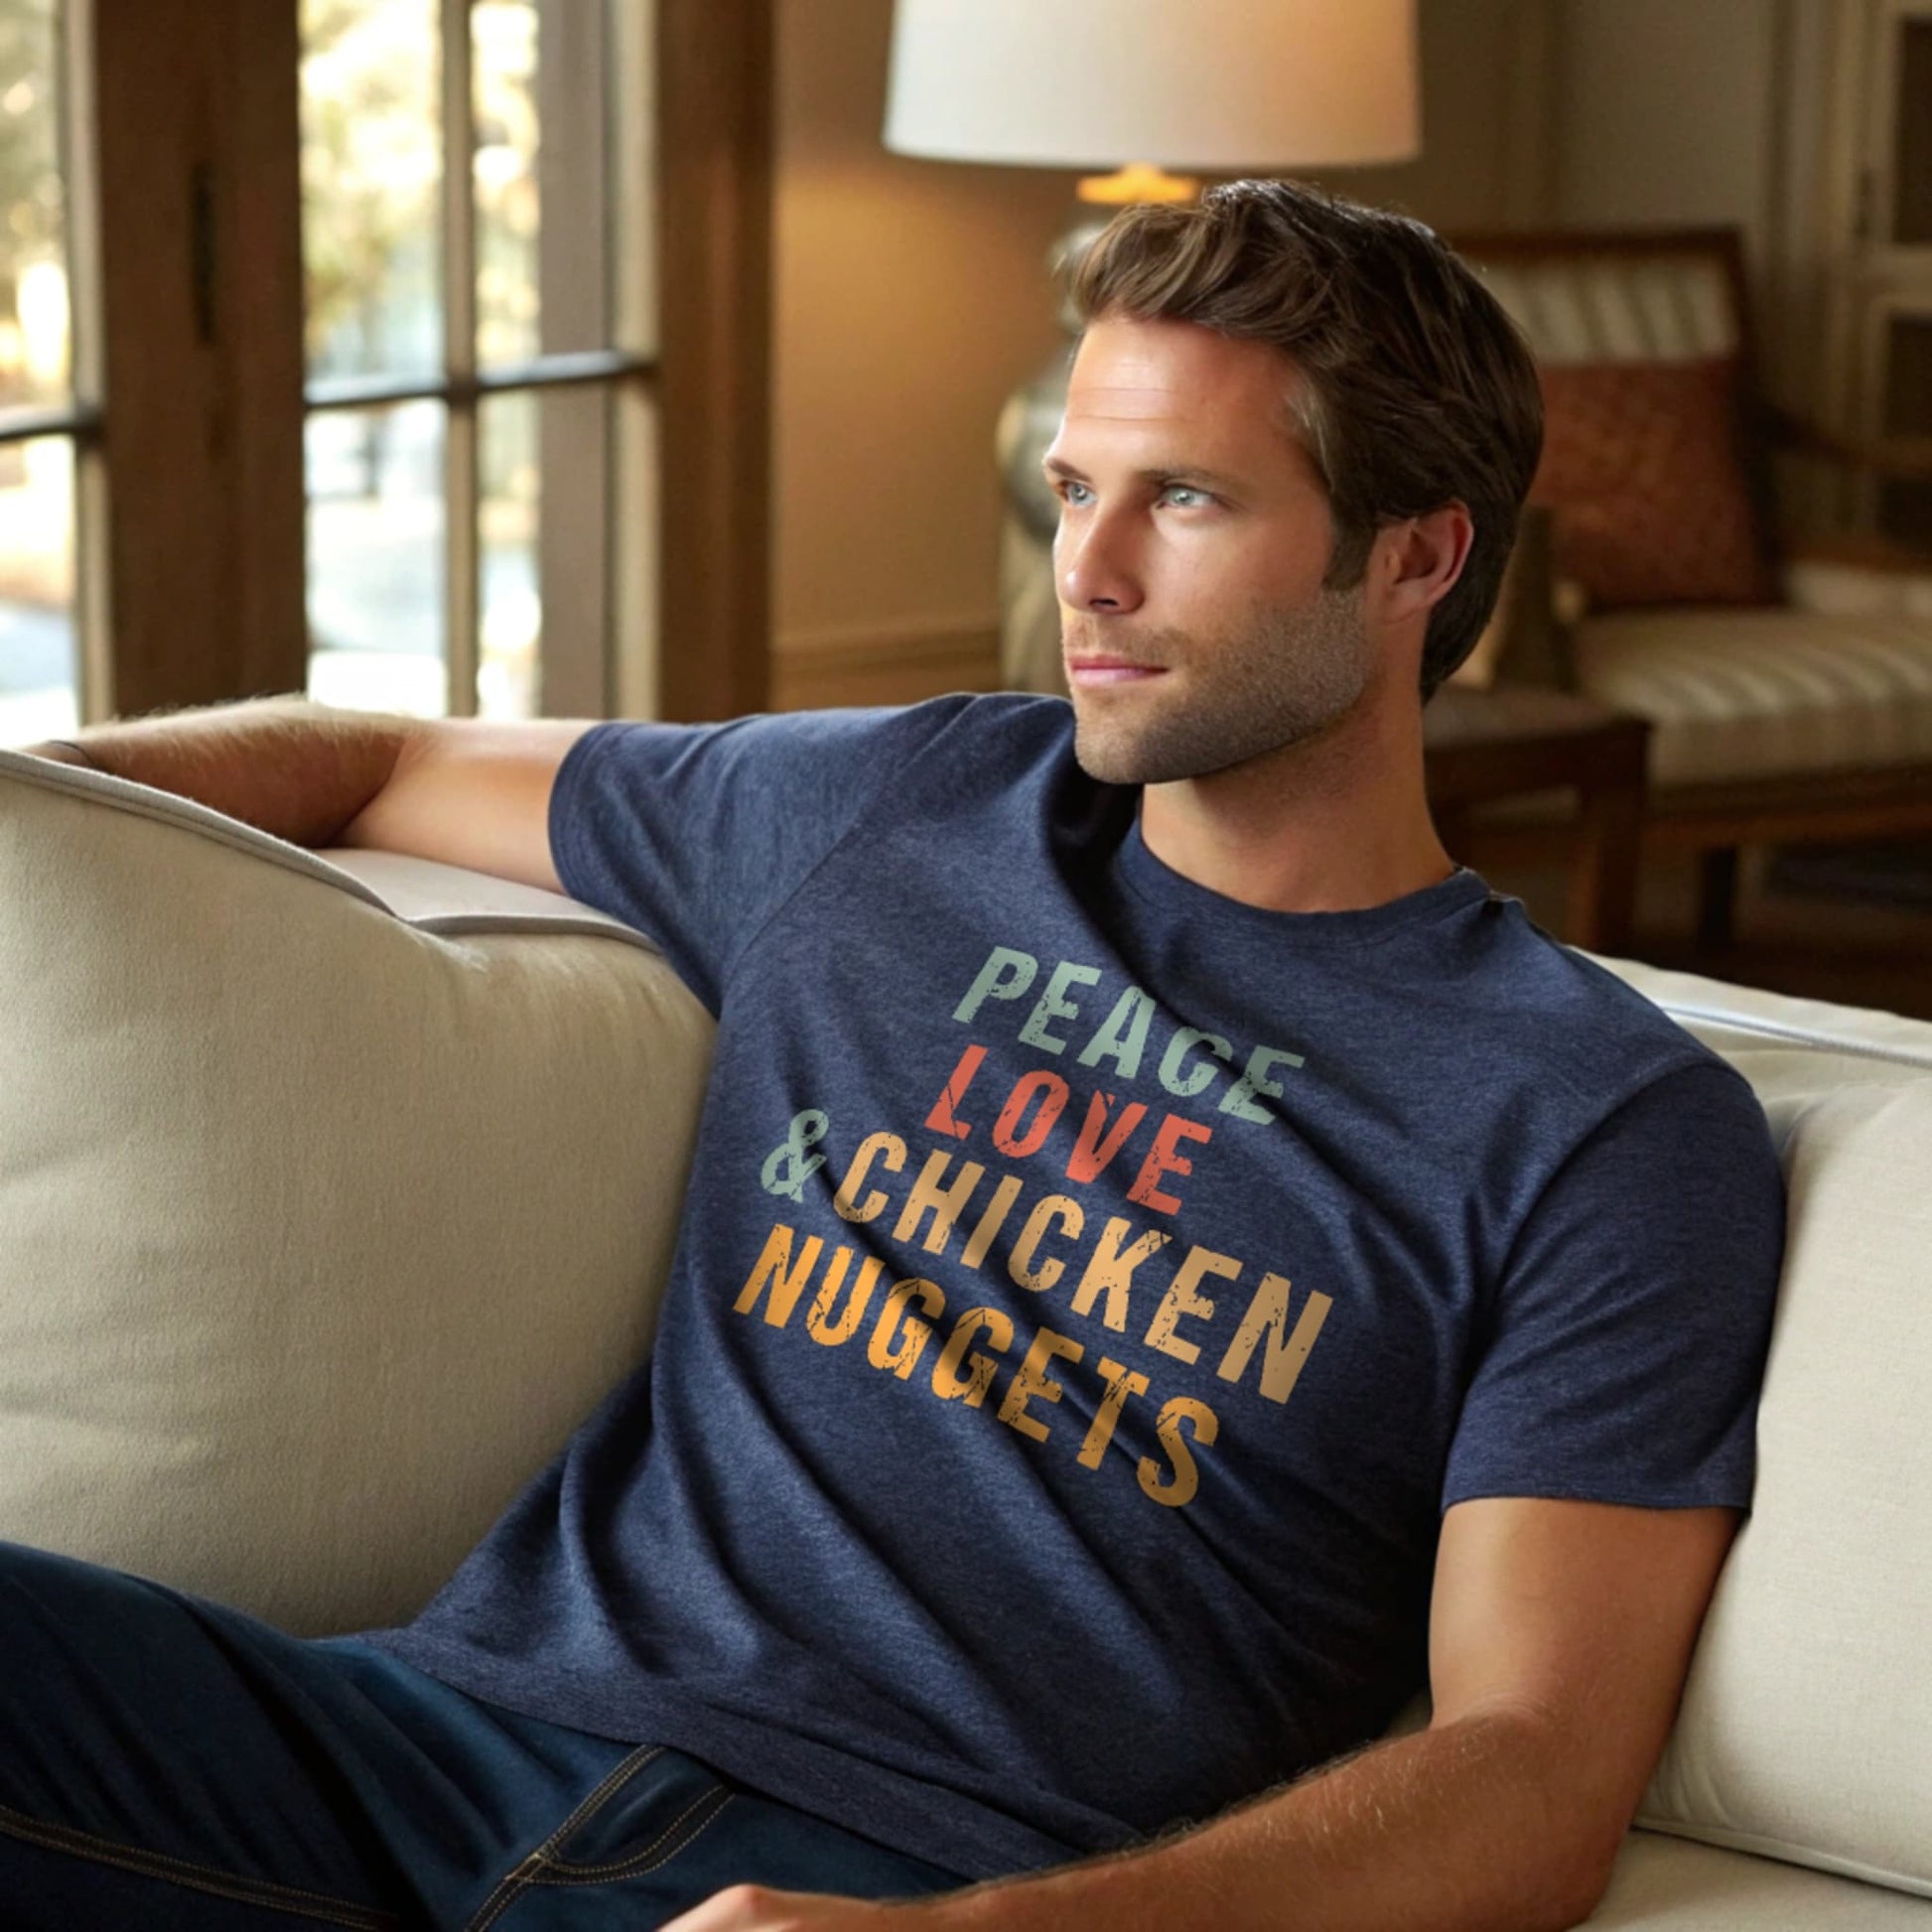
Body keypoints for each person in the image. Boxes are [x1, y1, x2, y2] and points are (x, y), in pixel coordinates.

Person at [6, 179, 1785, 1932]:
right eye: (1074, 488)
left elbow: (1532, 1768)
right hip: (429, 1744)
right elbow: (384, 759)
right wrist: (28, 804)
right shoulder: (908, 803)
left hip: (925, 1867)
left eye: (1182, 498)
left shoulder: (1600, 1122)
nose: (1084, 571)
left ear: (1415, 555)